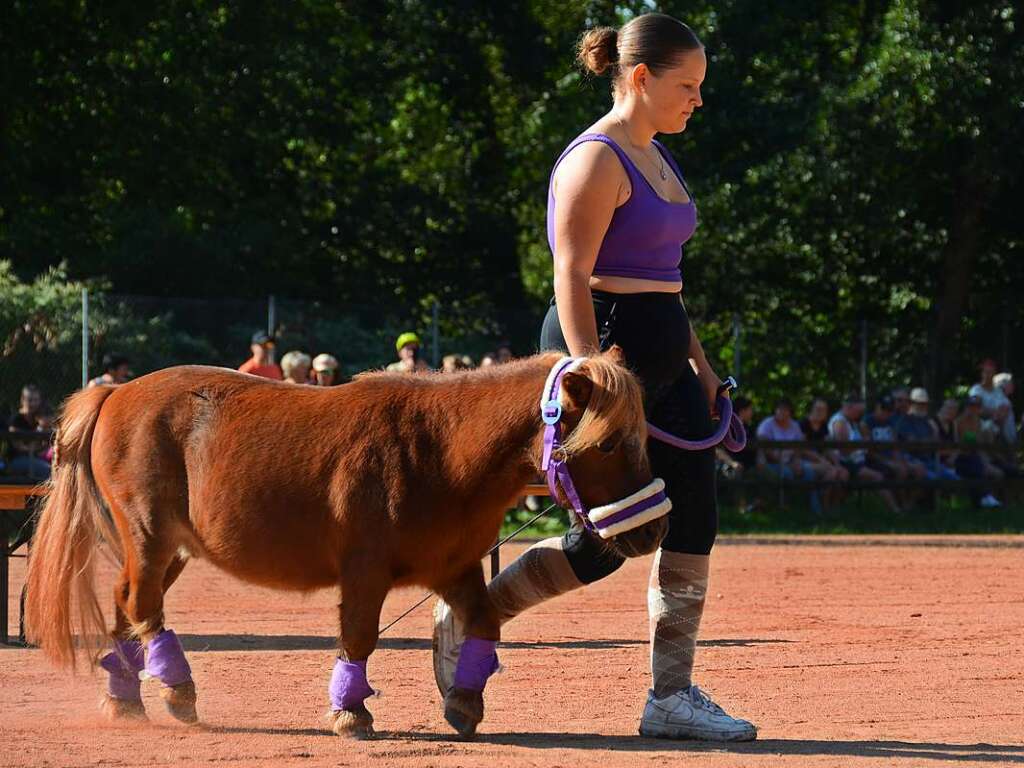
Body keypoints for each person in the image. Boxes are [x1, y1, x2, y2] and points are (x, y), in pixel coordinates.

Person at [432, 14, 756, 741]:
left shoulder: (659, 156)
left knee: (694, 518)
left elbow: (667, 283)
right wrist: (591, 372)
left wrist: (703, 370)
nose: (698, 101)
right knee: (610, 539)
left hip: (665, 364)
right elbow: (570, 272)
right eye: (688, 86)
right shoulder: (596, 158)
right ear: (640, 78)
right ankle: (473, 614)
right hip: (604, 358)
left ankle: (669, 697)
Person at [828, 392, 902, 514]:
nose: (860, 415)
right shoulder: (839, 422)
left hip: (861, 461)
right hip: (848, 464)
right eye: (858, 412)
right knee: (877, 476)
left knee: (892, 470)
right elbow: (844, 450)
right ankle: (895, 511)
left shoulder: (853, 421)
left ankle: (898, 508)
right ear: (849, 407)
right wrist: (863, 444)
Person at [756, 399, 823, 515]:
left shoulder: (794, 426)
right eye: (780, 409)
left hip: (792, 462)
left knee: (810, 474)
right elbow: (766, 450)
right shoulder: (767, 425)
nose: (782, 412)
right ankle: (786, 509)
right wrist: (784, 463)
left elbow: (799, 447)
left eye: (785, 409)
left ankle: (815, 512)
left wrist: (796, 461)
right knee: (787, 474)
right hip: (772, 464)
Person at [799, 397, 849, 508]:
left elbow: (828, 448)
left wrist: (837, 463)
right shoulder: (803, 424)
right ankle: (824, 506)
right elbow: (802, 449)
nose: (821, 412)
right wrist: (822, 461)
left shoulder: (823, 426)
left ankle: (835, 506)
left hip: (821, 461)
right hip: (805, 461)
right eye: (818, 409)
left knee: (843, 473)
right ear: (811, 409)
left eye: (824, 410)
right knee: (832, 473)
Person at [954, 395, 1003, 508]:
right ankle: (984, 498)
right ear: (966, 407)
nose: (973, 409)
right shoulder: (958, 422)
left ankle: (989, 499)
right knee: (981, 469)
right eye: (971, 406)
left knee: (997, 472)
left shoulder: (979, 422)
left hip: (976, 456)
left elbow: (980, 443)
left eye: (976, 406)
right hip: (962, 458)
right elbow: (961, 443)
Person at [7, 384, 52, 479]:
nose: (33, 404)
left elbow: (46, 444)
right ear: (22, 400)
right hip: (17, 460)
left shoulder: (39, 419)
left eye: (36, 400)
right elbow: (20, 447)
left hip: (37, 458)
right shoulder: (16, 420)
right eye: (30, 400)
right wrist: (37, 447)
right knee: (48, 471)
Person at [969, 359, 1012, 442]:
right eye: (986, 371)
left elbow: (1004, 411)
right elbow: (976, 410)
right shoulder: (976, 390)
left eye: (990, 372)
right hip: (980, 430)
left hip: (1000, 430)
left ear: (994, 373)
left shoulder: (998, 391)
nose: (988, 375)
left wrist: (989, 412)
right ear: (982, 373)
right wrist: (994, 413)